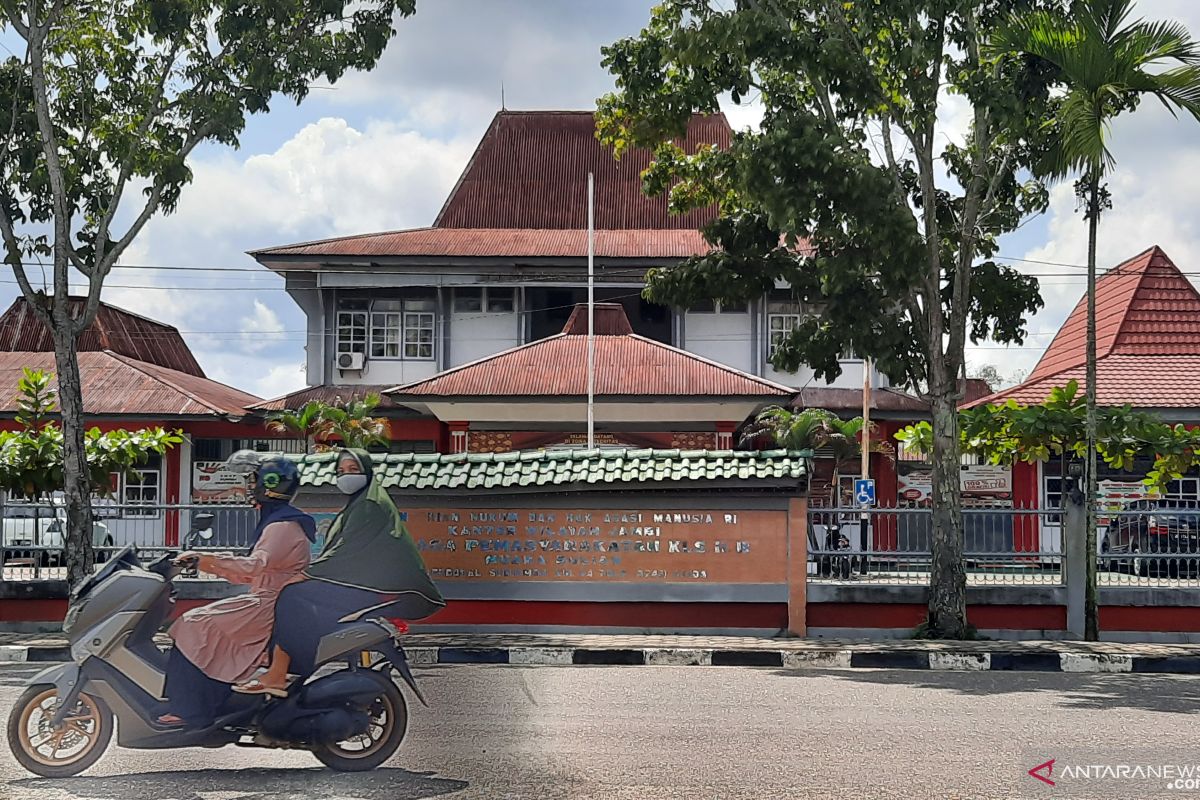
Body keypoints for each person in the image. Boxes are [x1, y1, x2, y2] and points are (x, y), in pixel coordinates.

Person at [233, 448, 444, 696]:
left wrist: (307, 574)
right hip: (366, 584)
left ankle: (278, 674)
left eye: (353, 470)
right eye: (341, 471)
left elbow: (345, 551)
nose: (346, 476)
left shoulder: (370, 504)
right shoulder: (358, 504)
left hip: (377, 588)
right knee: (301, 603)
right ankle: (286, 669)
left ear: (367, 472)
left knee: (291, 596)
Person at [156, 455, 315, 728]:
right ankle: (209, 701)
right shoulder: (280, 522)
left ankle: (190, 710)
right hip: (267, 599)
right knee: (201, 626)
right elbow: (249, 571)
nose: (249, 486)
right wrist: (205, 561)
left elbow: (254, 566)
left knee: (191, 624)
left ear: (270, 485)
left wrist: (205, 558)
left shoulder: (282, 526)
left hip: (268, 604)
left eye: (254, 481)